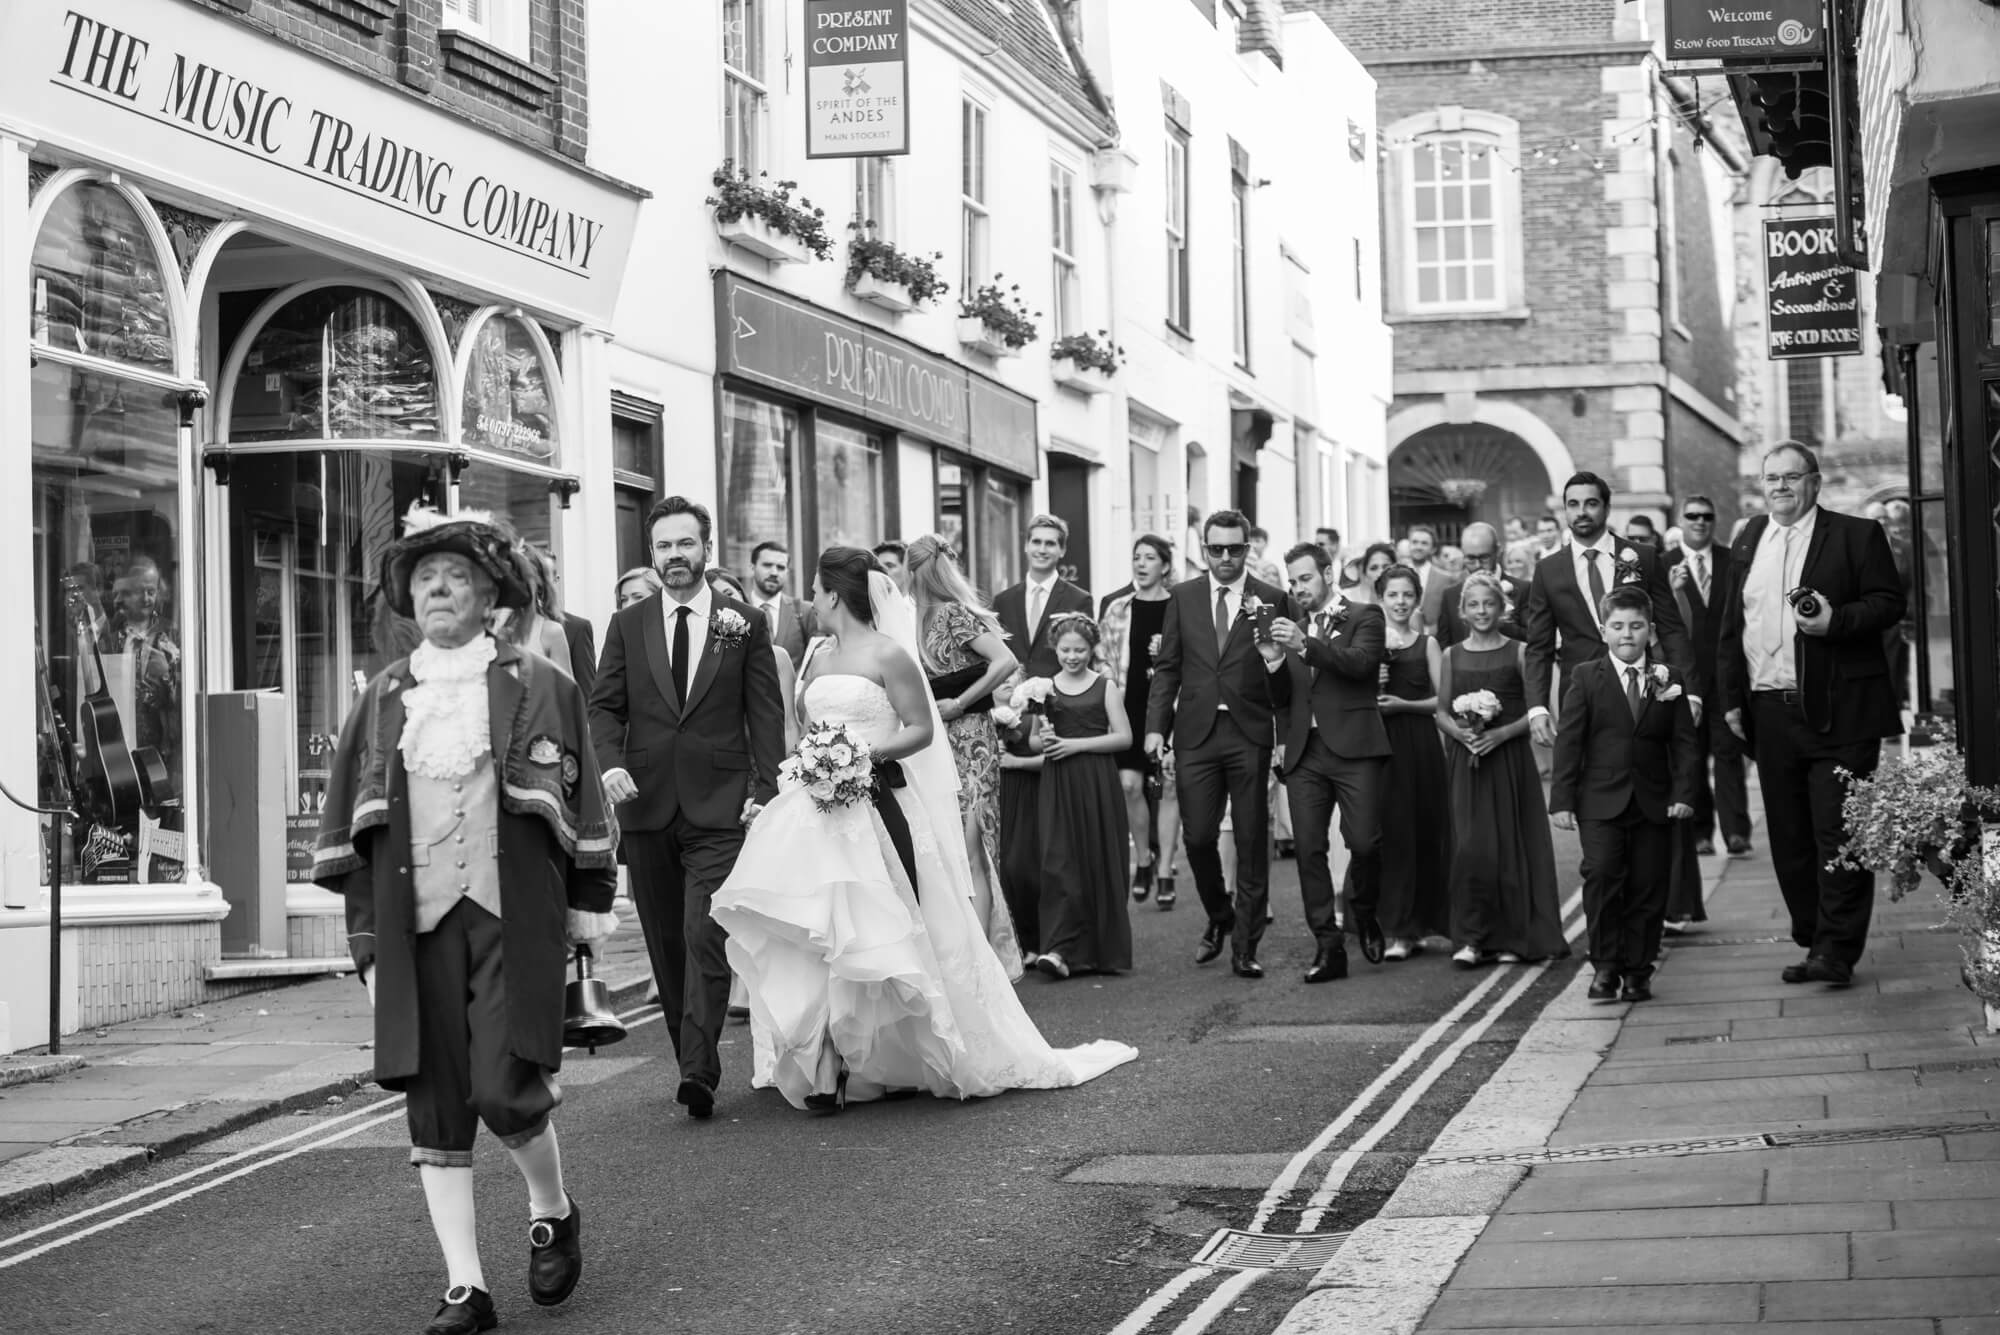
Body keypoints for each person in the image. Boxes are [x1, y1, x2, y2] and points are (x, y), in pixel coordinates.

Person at [314, 505, 619, 1335]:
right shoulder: (381, 697)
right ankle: (466, 1286)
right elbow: (358, 823)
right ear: (407, 599)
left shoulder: (539, 682)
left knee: (504, 1087)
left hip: (509, 916)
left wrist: (589, 908)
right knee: (434, 1103)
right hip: (416, 929)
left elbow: (580, 792)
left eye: (455, 576)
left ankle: (551, 1208)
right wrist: (368, 939)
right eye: (424, 579)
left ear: (490, 593)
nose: (438, 589)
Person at [709, 550, 1138, 1111]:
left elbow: (920, 731)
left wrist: (858, 755)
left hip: (877, 802)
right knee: (822, 930)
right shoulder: (816, 654)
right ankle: (829, 1059)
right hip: (816, 807)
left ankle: (884, 1053)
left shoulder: (890, 653)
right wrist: (811, 761)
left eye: (815, 589)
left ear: (835, 595)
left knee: (876, 929)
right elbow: (806, 726)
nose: (810, 598)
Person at [588, 496, 786, 1121]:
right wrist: (610, 764)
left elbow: (765, 715)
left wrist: (764, 791)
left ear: (707, 549)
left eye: (685, 544)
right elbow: (604, 708)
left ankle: (699, 1070)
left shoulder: (744, 622)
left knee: (705, 934)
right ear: (652, 554)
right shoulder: (627, 624)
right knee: (667, 944)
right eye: (664, 547)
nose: (675, 556)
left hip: (720, 807)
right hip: (645, 806)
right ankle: (688, 1057)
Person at [1717, 443, 1906, 988]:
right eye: (1771, 477)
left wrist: (1837, 621)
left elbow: (1888, 602)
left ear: (1815, 483)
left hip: (1840, 711)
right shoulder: (1750, 536)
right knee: (1790, 837)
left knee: (1838, 832)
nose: (1780, 486)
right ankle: (1813, 935)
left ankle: (1835, 951)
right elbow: (1733, 625)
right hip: (1768, 710)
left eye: (1791, 477)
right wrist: (1731, 698)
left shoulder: (1855, 535)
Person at [1145, 509, 1297, 979]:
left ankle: (1245, 947)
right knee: (1197, 837)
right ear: (1205, 550)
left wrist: (1275, 674)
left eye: (1235, 548)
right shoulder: (1183, 597)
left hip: (1249, 732)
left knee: (1252, 840)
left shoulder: (1272, 599)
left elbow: (1286, 677)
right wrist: (1155, 726)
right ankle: (1220, 915)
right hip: (1195, 732)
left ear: (1248, 549)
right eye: (1217, 549)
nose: (1226, 557)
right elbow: (1169, 666)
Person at [1549, 586, 1700, 1004]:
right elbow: (1570, 742)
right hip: (1599, 800)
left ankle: (1638, 970)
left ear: (1650, 631)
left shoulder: (1670, 678)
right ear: (1603, 631)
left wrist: (1684, 792)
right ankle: (1605, 967)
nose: (1627, 634)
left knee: (1648, 886)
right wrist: (1561, 800)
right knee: (1601, 877)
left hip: (1654, 801)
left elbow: (1685, 742)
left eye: (1636, 626)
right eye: (1617, 626)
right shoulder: (1585, 677)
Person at [1271, 542, 1389, 983]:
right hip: (1306, 753)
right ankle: (1327, 945)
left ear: (1327, 573)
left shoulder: (1365, 616)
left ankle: (1365, 912)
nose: (1298, 588)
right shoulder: (1293, 629)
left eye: (1305, 578)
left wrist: (1307, 646)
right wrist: (1272, 665)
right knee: (1308, 850)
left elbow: (1361, 666)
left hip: (1356, 747)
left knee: (1365, 843)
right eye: (1293, 581)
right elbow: (1283, 699)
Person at [904, 533, 1023, 968]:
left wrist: (961, 700)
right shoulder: (901, 619)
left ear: (918, 570)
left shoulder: (951, 613)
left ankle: (984, 961)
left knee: (972, 843)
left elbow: (1005, 661)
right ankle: (953, 955)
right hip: (926, 742)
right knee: (938, 845)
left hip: (969, 737)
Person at [1437, 574, 1568, 967]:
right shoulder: (1450, 655)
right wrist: (1461, 735)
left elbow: (1535, 711)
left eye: (1488, 604)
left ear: (1502, 608)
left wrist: (1501, 735)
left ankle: (1515, 936)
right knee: (1470, 848)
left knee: (1511, 847)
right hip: (1468, 762)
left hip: (1508, 762)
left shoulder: (1520, 652)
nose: (1481, 611)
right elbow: (1441, 711)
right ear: (1463, 610)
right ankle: (1473, 937)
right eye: (1473, 605)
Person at [1523, 471, 1693, 756]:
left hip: (1643, 688)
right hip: (1579, 694)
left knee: (1648, 774)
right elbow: (1538, 647)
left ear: (1606, 508)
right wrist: (1537, 707)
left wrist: (1690, 691)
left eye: (1590, 503)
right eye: (1573, 505)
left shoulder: (1644, 557)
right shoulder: (1548, 570)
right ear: (1565, 510)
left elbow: (1671, 628)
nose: (1582, 512)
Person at [1029, 614, 1134, 979]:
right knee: (1058, 861)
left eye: (1080, 650)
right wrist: (1043, 737)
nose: (1072, 656)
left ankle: (1098, 951)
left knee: (1098, 858)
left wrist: (1073, 745)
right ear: (1055, 649)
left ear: (1091, 650)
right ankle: (1058, 949)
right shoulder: (1042, 688)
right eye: (1065, 650)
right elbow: (1031, 742)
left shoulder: (1105, 686)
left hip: (1096, 780)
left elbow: (1123, 737)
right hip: (1058, 781)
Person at [1666, 493, 1751, 872]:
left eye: (1707, 516)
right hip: (1685, 680)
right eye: (1692, 516)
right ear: (1680, 520)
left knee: (1729, 754)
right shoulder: (1663, 564)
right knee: (1693, 756)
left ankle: (1736, 832)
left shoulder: (1731, 560)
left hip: (1726, 677)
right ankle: (1701, 832)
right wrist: (1671, 590)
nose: (1699, 522)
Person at [1371, 565, 1452, 958]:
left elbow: (1444, 701)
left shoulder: (1428, 645)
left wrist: (1405, 704)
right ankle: (1397, 927)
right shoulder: (1368, 646)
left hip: (1420, 747)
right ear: (1380, 599)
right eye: (1392, 596)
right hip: (1382, 749)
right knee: (1392, 834)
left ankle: (1420, 924)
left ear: (1417, 599)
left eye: (1407, 595)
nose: (1400, 603)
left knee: (1424, 831)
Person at [1100, 535, 1182, 907]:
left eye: (1150, 557)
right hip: (1128, 704)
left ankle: (1165, 868)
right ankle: (1144, 861)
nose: (1142, 563)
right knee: (1129, 786)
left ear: (1165, 565)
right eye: (1137, 557)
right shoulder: (1117, 608)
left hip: (1172, 705)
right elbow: (1103, 660)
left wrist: (1168, 650)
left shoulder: (1181, 606)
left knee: (1168, 784)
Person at [708, 568, 801, 752]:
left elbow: (789, 724)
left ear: (743, 597)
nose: (726, 603)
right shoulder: (704, 662)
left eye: (729, 594)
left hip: (770, 759)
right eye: (715, 599)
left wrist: (792, 771)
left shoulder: (777, 657)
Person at [994, 514, 1092, 680]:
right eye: (1036, 542)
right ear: (1026, 546)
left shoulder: (1079, 600)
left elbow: (1085, 656)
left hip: (1060, 699)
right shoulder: (1003, 601)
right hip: (1011, 698)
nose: (1042, 550)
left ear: (1062, 550)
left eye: (1050, 544)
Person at [1434, 522, 1526, 648]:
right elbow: (1444, 647)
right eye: (1470, 559)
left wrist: (1502, 612)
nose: (1477, 565)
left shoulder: (1524, 590)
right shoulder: (1450, 596)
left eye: (1484, 558)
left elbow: (1534, 640)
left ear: (1497, 551)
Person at [745, 540, 817, 662]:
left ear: (787, 572)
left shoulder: (805, 612)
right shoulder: (738, 608)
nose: (774, 572)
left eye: (781, 567)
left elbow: (815, 659)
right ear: (752, 567)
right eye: (767, 565)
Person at [1407, 525, 1449, 628]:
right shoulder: (1395, 574)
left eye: (1424, 543)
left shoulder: (1445, 578)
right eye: (1415, 542)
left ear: (1433, 549)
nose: (1418, 547)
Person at [1345, 543, 1398, 607]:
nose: (1380, 573)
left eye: (1386, 567)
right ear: (1364, 573)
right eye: (1374, 568)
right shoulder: (1346, 597)